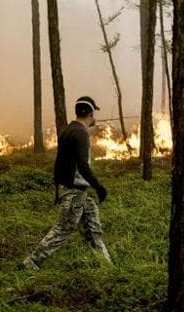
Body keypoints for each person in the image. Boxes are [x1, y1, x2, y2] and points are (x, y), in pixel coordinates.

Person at [22, 96, 112, 270]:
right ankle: (31, 262)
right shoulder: (81, 133)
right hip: (74, 192)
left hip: (77, 192)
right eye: (94, 113)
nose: (94, 117)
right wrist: (98, 186)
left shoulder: (68, 130)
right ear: (90, 113)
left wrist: (59, 188)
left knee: (93, 231)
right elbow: (82, 164)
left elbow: (59, 163)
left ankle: (106, 267)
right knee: (62, 230)